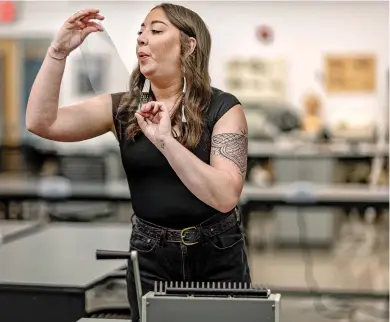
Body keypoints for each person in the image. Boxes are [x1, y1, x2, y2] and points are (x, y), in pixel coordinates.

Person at [26, 3, 251, 321]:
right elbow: (41, 122)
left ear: (188, 46)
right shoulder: (124, 107)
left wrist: (165, 141)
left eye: (156, 31)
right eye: (140, 32)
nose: (142, 39)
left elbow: (225, 195)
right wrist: (57, 53)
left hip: (216, 253)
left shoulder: (224, 109)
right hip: (150, 255)